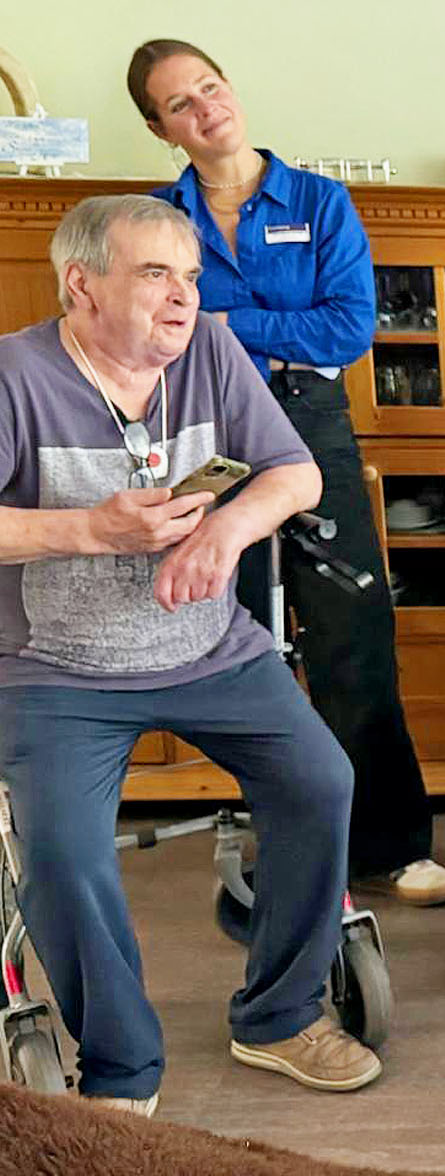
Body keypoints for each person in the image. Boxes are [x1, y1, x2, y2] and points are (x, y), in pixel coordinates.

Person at [0, 195, 384, 1111]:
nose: (185, 298)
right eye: (155, 274)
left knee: (320, 783)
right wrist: (87, 530)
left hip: (212, 648)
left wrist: (227, 532)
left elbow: (295, 472)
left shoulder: (211, 350)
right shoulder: (15, 374)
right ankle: (122, 1068)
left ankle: (280, 1016)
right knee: (62, 851)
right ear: (82, 285)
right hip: (57, 670)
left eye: (191, 276)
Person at [129, 39, 445, 908]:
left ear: (230, 88)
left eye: (210, 86)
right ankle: (288, 842)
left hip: (309, 425)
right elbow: (152, 329)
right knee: (232, 637)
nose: (206, 108)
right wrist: (262, 325)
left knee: (352, 630)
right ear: (161, 129)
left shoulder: (318, 201)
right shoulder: (154, 220)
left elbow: (347, 329)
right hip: (197, 430)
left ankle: (391, 846)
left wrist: (223, 323)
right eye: (180, 103)